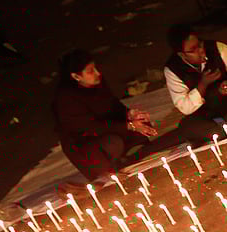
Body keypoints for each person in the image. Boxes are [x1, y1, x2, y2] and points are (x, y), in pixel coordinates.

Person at [53, 50, 187, 181]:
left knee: (141, 123)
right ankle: (111, 168)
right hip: (87, 144)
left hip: (110, 127)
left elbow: (112, 103)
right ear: (76, 77)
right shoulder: (66, 99)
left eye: (96, 68)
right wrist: (129, 126)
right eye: (90, 71)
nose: (97, 73)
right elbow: (91, 127)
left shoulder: (97, 81)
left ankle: (127, 159)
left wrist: (129, 114)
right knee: (113, 143)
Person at [163, 24, 227, 145]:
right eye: (193, 50)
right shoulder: (172, 69)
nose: (200, 51)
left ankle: (222, 132)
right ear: (182, 55)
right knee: (187, 126)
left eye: (200, 45)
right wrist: (203, 84)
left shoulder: (218, 48)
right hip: (205, 114)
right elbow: (184, 106)